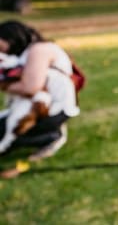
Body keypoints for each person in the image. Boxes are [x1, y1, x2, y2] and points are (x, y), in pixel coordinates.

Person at [0, 20, 79, 160]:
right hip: (37, 107)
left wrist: (4, 84)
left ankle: (50, 136)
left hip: (51, 110)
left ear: (10, 38)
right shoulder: (27, 53)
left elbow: (31, 87)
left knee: (10, 132)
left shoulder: (39, 50)